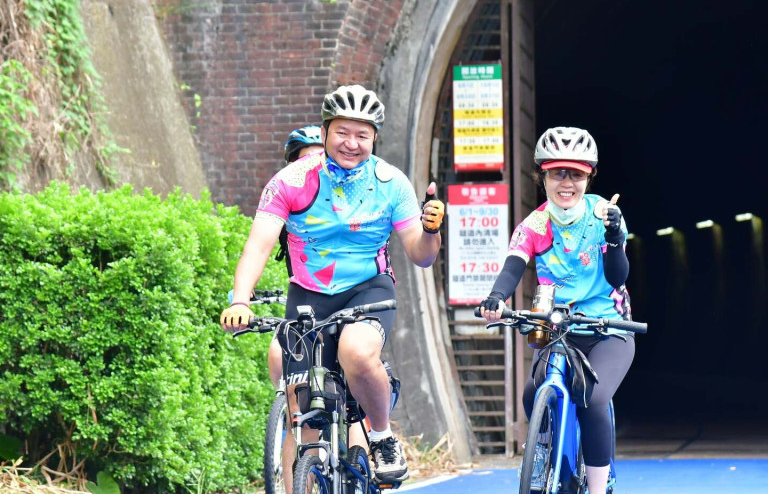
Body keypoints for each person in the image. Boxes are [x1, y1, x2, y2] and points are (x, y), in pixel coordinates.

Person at [220, 84, 445, 487]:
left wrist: (431, 231)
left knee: (356, 353)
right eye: (342, 132)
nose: (352, 143)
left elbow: (421, 254)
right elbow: (258, 245)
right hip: (308, 296)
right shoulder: (291, 180)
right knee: (305, 419)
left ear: (375, 137)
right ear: (325, 132)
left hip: (369, 290)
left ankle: (380, 434)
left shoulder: (392, 183)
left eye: (362, 134)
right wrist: (240, 299)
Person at [477, 126, 632, 494]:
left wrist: (614, 238)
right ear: (542, 176)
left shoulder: (605, 214)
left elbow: (617, 276)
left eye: (576, 174)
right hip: (558, 328)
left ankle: (597, 488)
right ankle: (544, 455)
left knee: (592, 401)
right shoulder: (534, 225)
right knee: (533, 393)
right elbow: (513, 266)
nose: (567, 182)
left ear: (588, 177)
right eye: (557, 172)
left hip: (608, 328)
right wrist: (496, 298)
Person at [265, 125, 325, 388]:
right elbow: (259, 248)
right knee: (278, 354)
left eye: (320, 158)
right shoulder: (284, 202)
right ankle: (286, 416)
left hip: (348, 300)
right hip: (305, 300)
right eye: (304, 160)